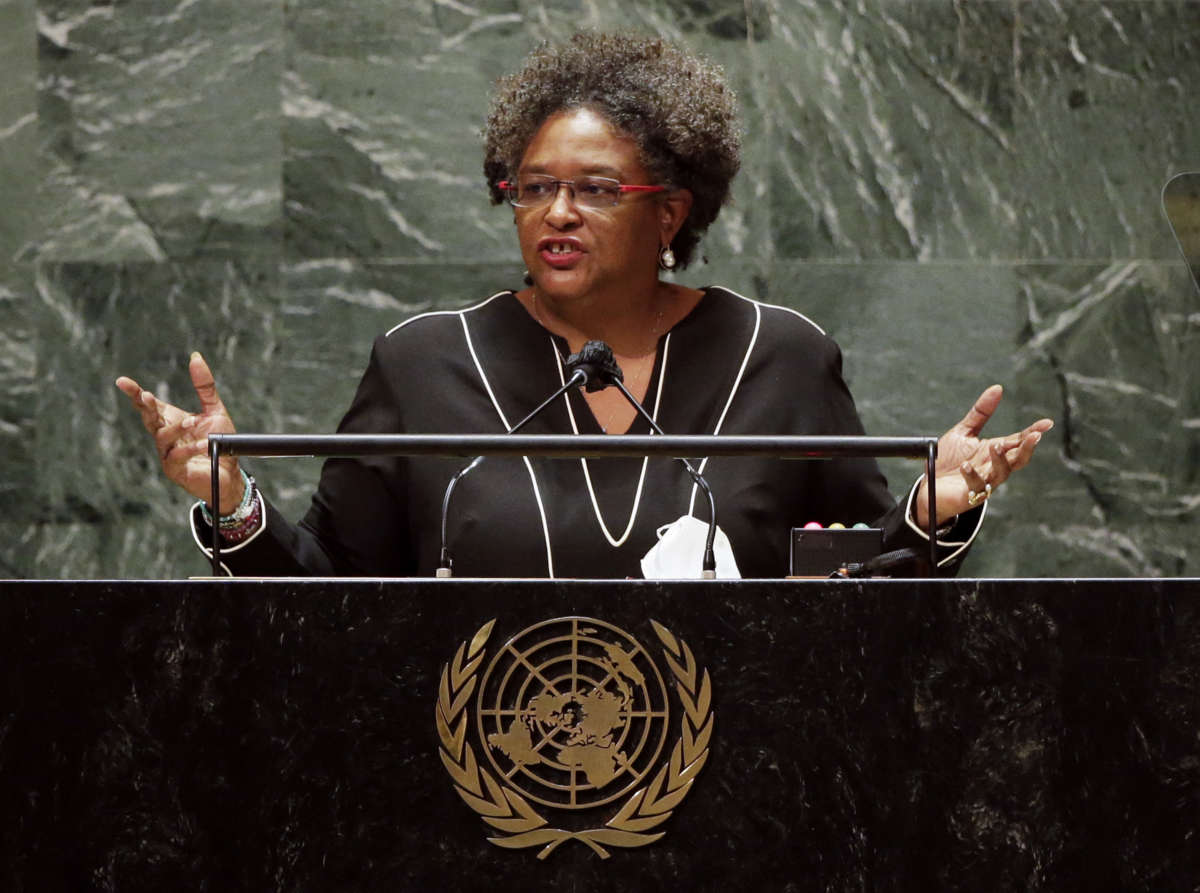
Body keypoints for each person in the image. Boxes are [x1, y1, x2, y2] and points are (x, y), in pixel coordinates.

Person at [115, 32, 1052, 579]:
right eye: (531, 188)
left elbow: (853, 582)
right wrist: (233, 503)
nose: (555, 213)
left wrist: (935, 511)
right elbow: (332, 589)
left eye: (595, 189)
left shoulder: (781, 356)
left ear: (672, 211)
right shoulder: (425, 361)